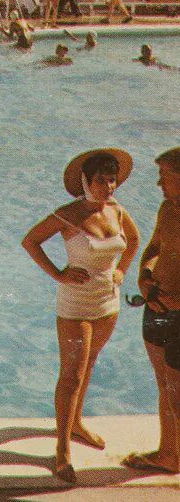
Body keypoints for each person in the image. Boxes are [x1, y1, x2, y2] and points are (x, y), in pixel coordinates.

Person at [22, 149, 140, 483]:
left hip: (108, 302)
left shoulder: (117, 211)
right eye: (101, 180)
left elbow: (133, 240)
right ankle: (61, 450)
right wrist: (58, 275)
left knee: (88, 365)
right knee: (71, 374)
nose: (109, 187)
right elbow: (30, 241)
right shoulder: (68, 215)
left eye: (112, 179)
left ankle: (75, 424)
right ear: (85, 182)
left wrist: (122, 272)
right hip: (75, 304)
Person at [124, 147, 180, 474]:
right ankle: (168, 453)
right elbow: (154, 248)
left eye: (165, 177)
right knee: (164, 385)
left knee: (177, 391)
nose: (159, 184)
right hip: (157, 305)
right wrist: (144, 277)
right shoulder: (167, 209)